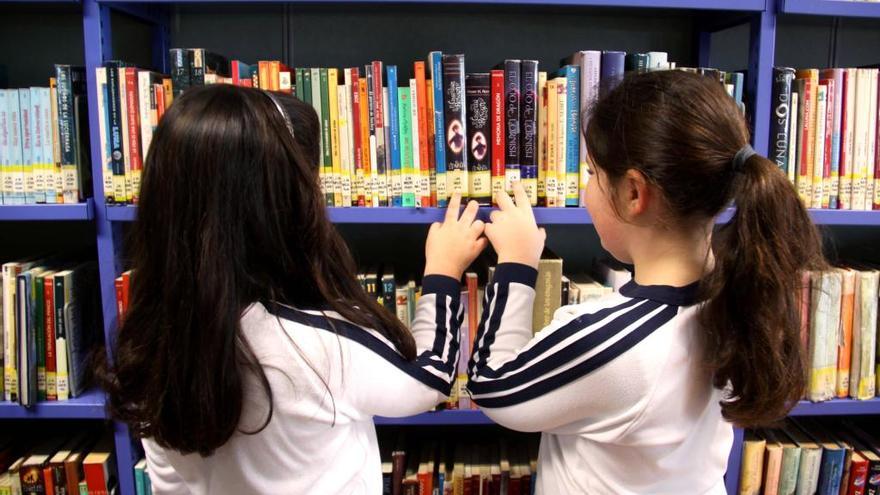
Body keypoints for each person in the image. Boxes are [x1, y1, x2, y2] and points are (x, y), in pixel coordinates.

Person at [100, 84, 487, 494]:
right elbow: (428, 378)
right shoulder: (316, 347)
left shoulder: (150, 344)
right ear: (275, 202)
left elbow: (169, 486)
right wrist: (444, 273)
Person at [467, 70, 825, 494]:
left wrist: (516, 265)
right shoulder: (739, 294)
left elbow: (491, 386)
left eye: (593, 174)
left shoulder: (610, 341)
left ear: (634, 193)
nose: (586, 191)